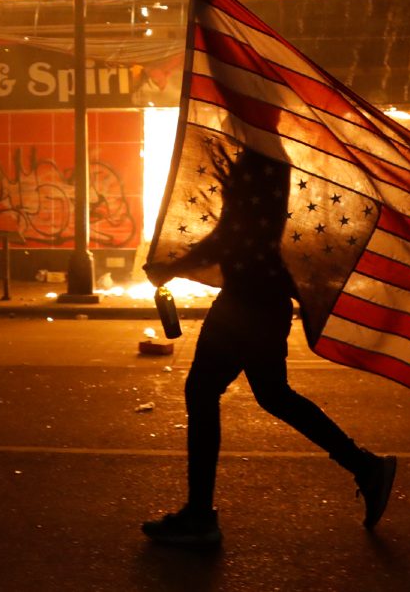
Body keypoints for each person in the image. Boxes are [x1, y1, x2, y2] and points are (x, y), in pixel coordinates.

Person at [141, 146, 397, 549]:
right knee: (273, 395)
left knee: (204, 391)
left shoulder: (260, 159)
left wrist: (172, 266)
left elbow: (232, 236)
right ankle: (364, 466)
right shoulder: (264, 156)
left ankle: (200, 517)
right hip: (262, 298)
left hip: (249, 300)